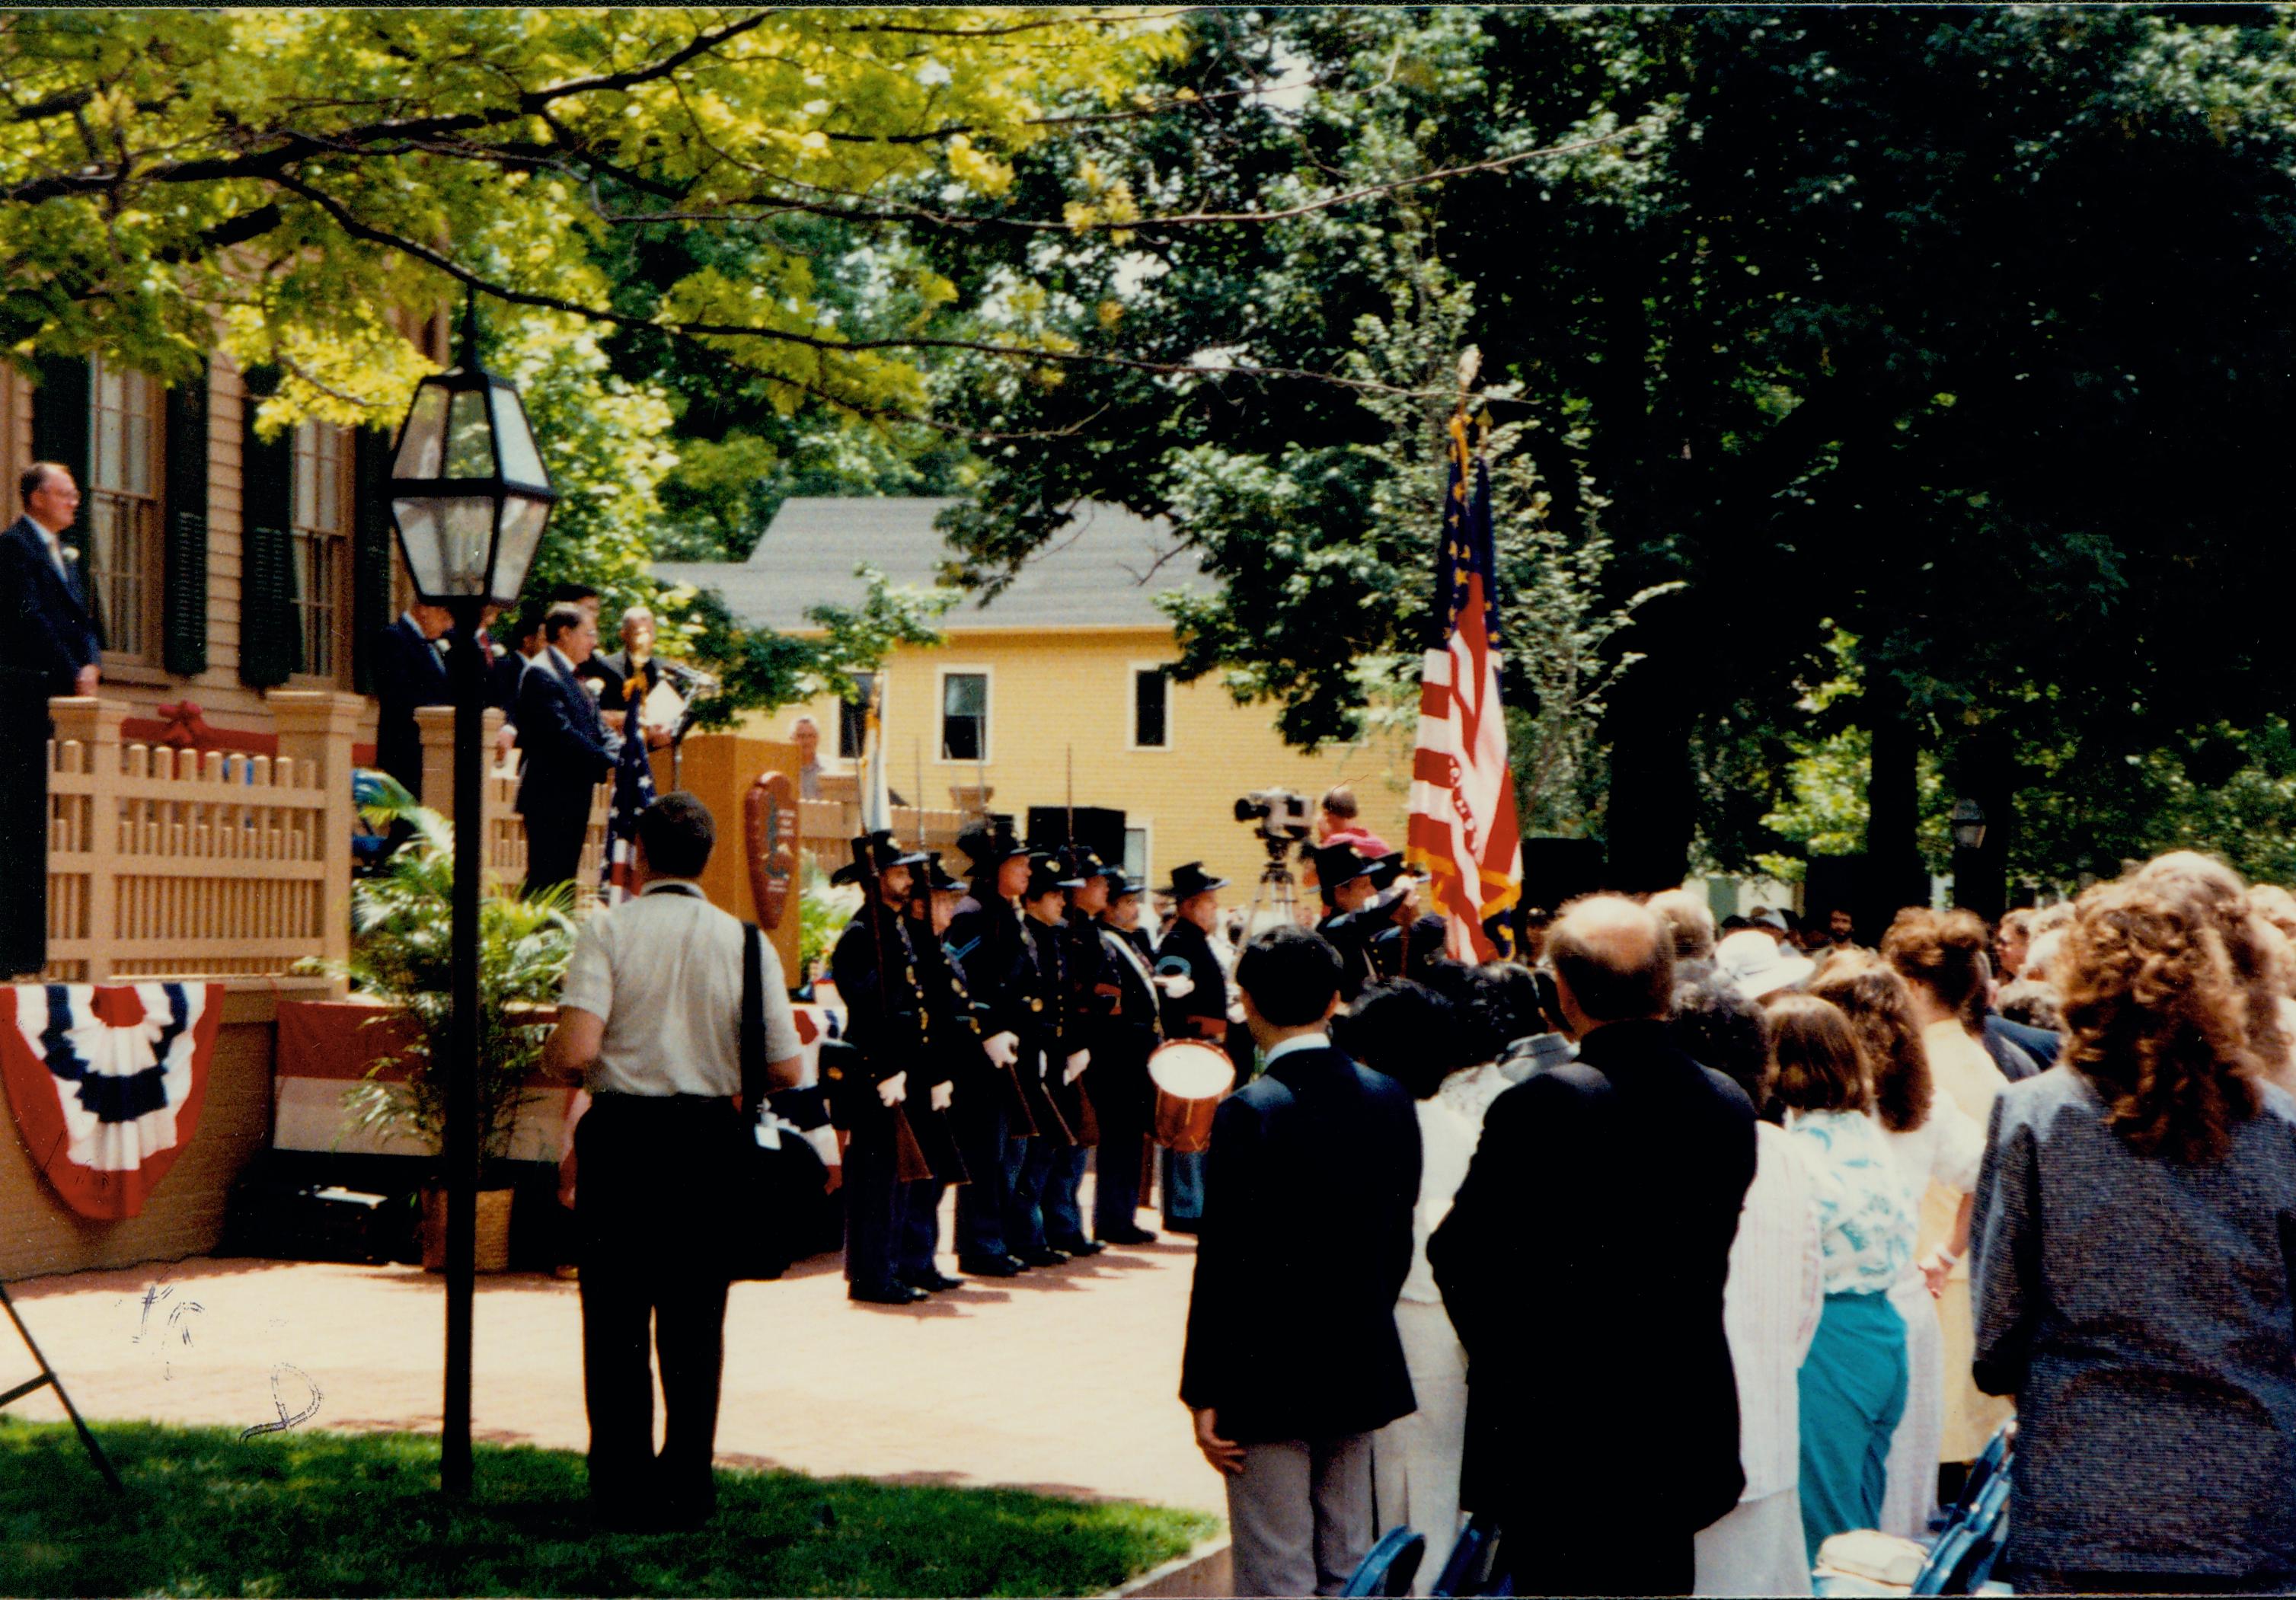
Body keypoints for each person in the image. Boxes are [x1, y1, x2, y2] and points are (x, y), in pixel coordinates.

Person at [1973, 875, 2296, 1594]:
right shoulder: (2278, 1129)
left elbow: (1998, 1325)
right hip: (2245, 1495)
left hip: (2082, 1489)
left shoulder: (2034, 1116)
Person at [1430, 895, 1756, 1595]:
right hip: (1678, 1422)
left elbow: (1460, 1257)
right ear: (1667, 986)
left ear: (1563, 995)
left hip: (1558, 1437)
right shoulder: (1726, 1101)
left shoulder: (1540, 1104)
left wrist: (1516, 1363)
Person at [543, 792, 803, 1531]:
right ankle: (688, 1482)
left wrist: (555, 1052)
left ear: (642, 856)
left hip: (624, 1138)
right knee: (694, 1323)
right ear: (708, 859)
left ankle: (621, 1485)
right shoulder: (746, 943)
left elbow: (579, 1049)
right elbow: (785, 1066)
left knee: (616, 1319)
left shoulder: (608, 930)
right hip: (706, 1142)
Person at [1180, 927, 1420, 1598]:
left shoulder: (1249, 1110)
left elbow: (1223, 1262)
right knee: (1348, 1560)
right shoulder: (1389, 1096)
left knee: (1276, 1567)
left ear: (1247, 1001)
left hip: (1264, 1372)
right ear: (1335, 999)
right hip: (1357, 1356)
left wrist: (1203, 1387)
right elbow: (1395, 1243)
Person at [1809, 953, 1985, 1541]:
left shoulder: (1809, 1112)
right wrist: (1944, 1253)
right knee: (1898, 1497)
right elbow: (1986, 1176)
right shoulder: (1923, 1103)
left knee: (1836, 1494)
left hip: (1829, 1314)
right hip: (1905, 1309)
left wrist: (1943, 1253)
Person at [1675, 986, 1825, 1597]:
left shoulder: (1672, 1152)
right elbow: (1806, 1299)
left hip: (1697, 1437)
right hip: (1764, 1419)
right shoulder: (1787, 1154)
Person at [1334, 979, 1476, 1594]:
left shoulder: (1376, 1126)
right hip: (1438, 1341)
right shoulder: (1466, 1129)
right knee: (1426, 1504)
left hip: (1414, 1330)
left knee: (1405, 1509)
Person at [1767, 992, 1917, 1564]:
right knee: (1859, 1524)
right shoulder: (1866, 1135)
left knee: (1824, 1538)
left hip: (1828, 1338)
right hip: (1882, 1330)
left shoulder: (1793, 1151)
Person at [1880, 906, 2016, 1471]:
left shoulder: (1917, 1065)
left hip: (1931, 1271)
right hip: (1960, 1271)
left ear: (1912, 984)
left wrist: (1944, 1249)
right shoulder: (1981, 1061)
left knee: (1929, 1457)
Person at [827, 831, 936, 1305]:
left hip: (898, 1071)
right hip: (875, 1072)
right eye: (898, 873)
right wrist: (884, 1067)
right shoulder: (860, 934)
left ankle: (885, 1269)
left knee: (893, 1180)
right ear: (875, 881)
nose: (908, 880)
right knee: (874, 1182)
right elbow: (868, 1007)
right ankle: (869, 1276)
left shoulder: (891, 928)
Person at [943, 816, 1036, 1279]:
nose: (1028, 872)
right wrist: (988, 1030)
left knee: (1003, 1152)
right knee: (983, 1151)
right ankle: (979, 1244)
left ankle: (993, 1238)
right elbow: (962, 981)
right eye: (1019, 863)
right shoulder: (973, 914)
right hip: (980, 1055)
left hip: (1010, 1050)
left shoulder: (1003, 912)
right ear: (996, 867)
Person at [1154, 861, 1236, 1234]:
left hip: (1209, 1043)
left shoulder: (1196, 940)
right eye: (1208, 902)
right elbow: (1171, 987)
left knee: (1202, 1129)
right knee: (1187, 1127)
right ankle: (1185, 1208)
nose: (1214, 909)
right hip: (1191, 1045)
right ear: (1188, 906)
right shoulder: (1178, 941)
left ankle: (1195, 1203)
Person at [516, 604, 618, 897]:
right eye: (589, 634)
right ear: (564, 633)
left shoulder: (573, 675)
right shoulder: (541, 673)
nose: (594, 642)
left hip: (572, 793)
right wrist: (609, 762)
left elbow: (599, 727)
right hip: (550, 794)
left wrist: (622, 754)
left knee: (564, 879)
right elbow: (561, 733)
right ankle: (538, 940)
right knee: (547, 877)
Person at [1043, 845, 1113, 1258]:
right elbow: (1076, 993)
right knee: (1067, 1144)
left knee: (1078, 1143)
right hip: (1071, 1045)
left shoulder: (1086, 929)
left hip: (1092, 1044)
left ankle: (1067, 1224)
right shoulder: (1068, 931)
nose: (1103, 889)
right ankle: (1060, 1226)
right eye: (1096, 882)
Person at [1092, 869, 1163, 1246]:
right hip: (1121, 1058)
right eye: (1127, 903)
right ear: (1111, 909)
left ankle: (1124, 1214)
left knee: (1132, 1139)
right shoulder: (1108, 943)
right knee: (1119, 1139)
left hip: (1139, 1055)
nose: (1135, 909)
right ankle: (1112, 1218)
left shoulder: (1129, 941)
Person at [0, 462, 100, 709]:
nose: (74, 503)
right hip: (30, 690)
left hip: (70, 691)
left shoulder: (66, 554)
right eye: (65, 495)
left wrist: (92, 665)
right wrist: (74, 673)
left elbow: (83, 619)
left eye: (74, 496)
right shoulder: (15, 546)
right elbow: (30, 617)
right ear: (37, 499)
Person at [372, 600, 452, 801]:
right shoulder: (395, 637)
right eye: (443, 616)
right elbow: (398, 695)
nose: (447, 626)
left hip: (433, 751)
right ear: (424, 609)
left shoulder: (431, 645)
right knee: (407, 826)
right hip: (406, 750)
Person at [600, 605, 675, 751]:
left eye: (649, 633)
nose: (644, 640)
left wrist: (671, 729)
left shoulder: (666, 668)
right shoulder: (607, 667)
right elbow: (603, 715)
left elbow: (686, 710)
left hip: (662, 753)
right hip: (621, 752)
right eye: (638, 634)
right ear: (624, 634)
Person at [1314, 784, 1391, 857]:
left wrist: (1324, 840)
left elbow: (1314, 870)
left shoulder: (1335, 843)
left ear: (1327, 815)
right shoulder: (1381, 846)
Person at [790, 714, 825, 800]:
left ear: (818, 739)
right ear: (791, 739)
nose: (807, 741)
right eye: (801, 736)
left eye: (811, 736)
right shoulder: (784, 769)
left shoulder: (830, 769)